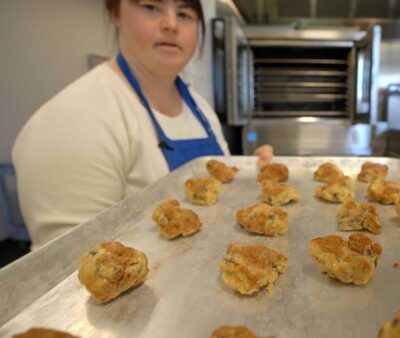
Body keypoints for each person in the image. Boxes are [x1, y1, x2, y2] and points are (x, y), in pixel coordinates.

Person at [12, 0, 272, 251]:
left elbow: (218, 199)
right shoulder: (70, 122)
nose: (171, 24)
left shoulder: (201, 110)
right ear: (115, 12)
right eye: (151, 7)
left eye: (184, 14)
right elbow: (72, 274)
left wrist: (248, 175)